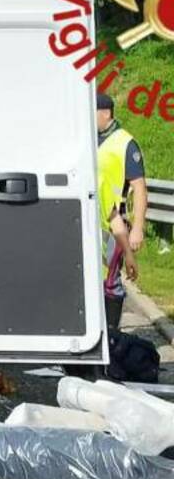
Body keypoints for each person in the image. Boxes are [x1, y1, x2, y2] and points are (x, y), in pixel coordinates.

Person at [97, 92, 147, 333]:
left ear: (105, 113)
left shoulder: (125, 143)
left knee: (111, 282)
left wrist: (137, 229)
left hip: (115, 221)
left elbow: (139, 187)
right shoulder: (88, 139)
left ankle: (112, 335)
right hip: (93, 220)